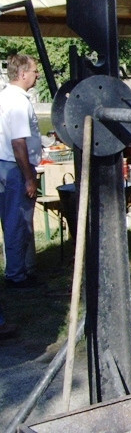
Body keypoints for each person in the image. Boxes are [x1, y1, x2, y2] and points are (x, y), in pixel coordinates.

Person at [0, 54, 43, 290]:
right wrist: (28, 177)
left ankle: (19, 269)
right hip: (14, 169)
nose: (37, 75)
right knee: (18, 222)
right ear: (23, 74)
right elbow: (18, 143)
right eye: (35, 71)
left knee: (10, 220)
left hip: (3, 164)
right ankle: (16, 276)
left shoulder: (4, 96)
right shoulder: (18, 102)